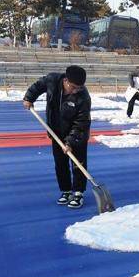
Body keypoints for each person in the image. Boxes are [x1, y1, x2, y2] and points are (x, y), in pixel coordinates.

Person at [22, 65, 91, 209]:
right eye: (73, 87)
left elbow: (81, 123)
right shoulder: (52, 80)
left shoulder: (83, 96)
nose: (76, 90)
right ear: (65, 80)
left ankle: (78, 193)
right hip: (56, 130)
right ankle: (65, 191)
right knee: (60, 163)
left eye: (79, 87)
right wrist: (29, 98)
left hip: (77, 133)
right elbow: (37, 86)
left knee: (78, 163)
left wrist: (71, 142)